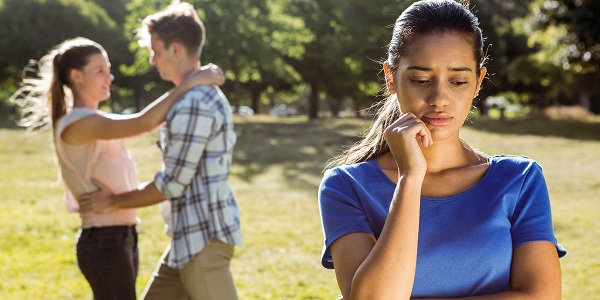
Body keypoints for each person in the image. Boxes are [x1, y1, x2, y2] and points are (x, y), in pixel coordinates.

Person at [318, 1, 566, 299]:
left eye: (458, 80)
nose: (439, 98)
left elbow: (541, 296)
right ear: (390, 78)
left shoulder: (520, 180)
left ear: (478, 82)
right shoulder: (346, 187)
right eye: (421, 80)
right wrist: (410, 177)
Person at [10, 37, 225, 300]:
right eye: (100, 71)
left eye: (108, 69)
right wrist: (190, 82)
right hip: (104, 240)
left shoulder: (93, 121)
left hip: (120, 237)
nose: (109, 77)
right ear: (76, 76)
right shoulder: (79, 123)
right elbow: (144, 122)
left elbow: (149, 123)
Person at [78, 2, 242, 299]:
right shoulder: (193, 97)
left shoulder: (195, 103)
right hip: (187, 240)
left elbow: (172, 184)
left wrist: (113, 202)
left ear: (175, 49)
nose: (153, 60)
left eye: (156, 51)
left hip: (202, 240)